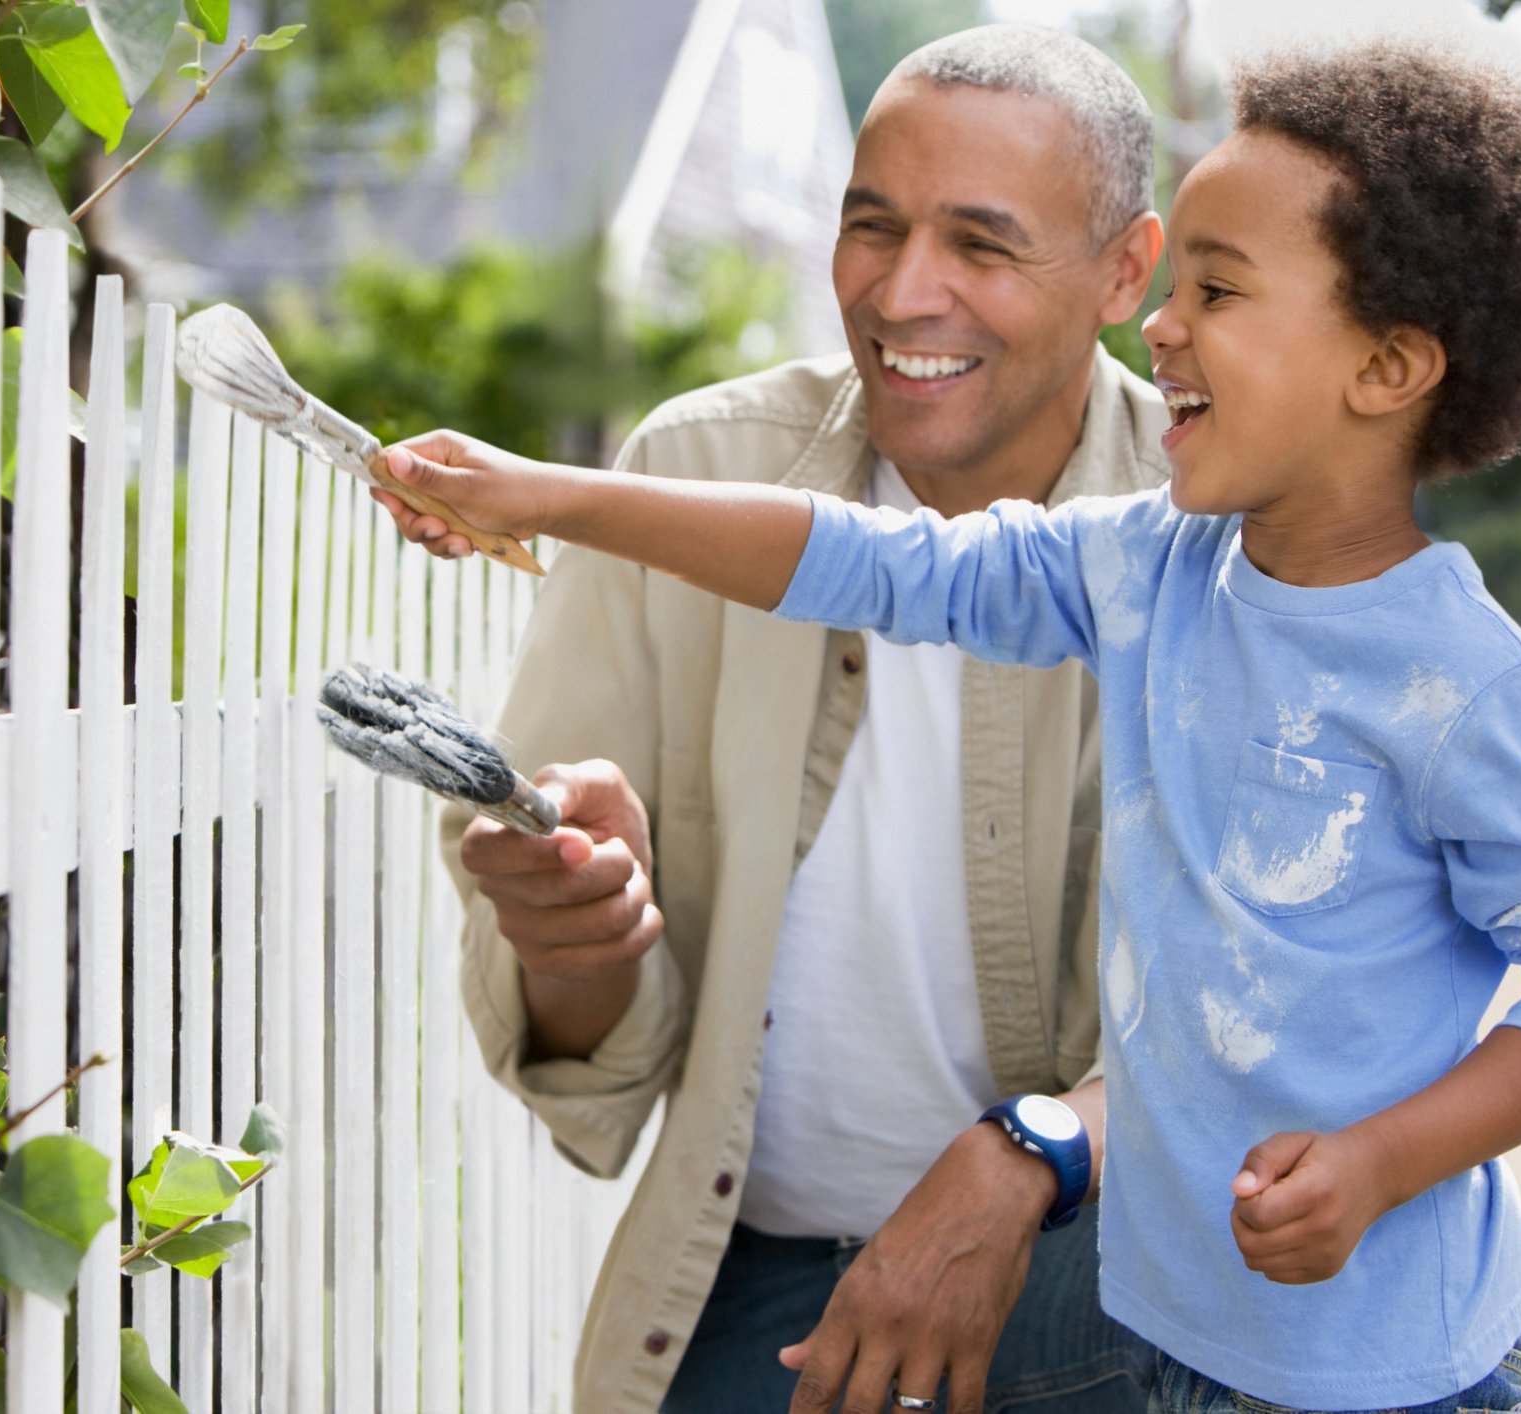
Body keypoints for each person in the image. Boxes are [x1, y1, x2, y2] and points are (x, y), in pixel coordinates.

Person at [380, 35, 1521, 1414]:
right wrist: (549, 498)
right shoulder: (1144, 566)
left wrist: (1382, 1160)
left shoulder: (1464, 684)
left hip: (1381, 1365)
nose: (1162, 324)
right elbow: (870, 561)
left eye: (1214, 291)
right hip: (1166, 1324)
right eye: (1176, 290)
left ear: (1389, 367)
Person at [417, 24, 1168, 1414]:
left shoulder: (1215, 536)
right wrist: (578, 929)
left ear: (1125, 269)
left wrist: (1027, 1155)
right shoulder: (691, 472)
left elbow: (1290, 1012)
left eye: (981, 247)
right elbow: (589, 1055)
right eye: (869, 227)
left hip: (1096, 1284)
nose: (903, 292)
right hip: (768, 1290)